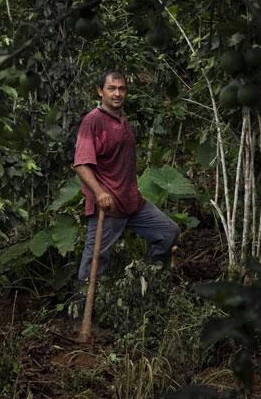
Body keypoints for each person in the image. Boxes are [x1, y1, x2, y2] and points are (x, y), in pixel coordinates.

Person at [73, 69, 180, 284]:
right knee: (95, 260)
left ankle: (148, 281)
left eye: (121, 89)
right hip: (108, 205)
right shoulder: (92, 121)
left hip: (133, 203)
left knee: (168, 232)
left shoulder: (122, 120)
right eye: (111, 88)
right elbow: (81, 164)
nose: (117, 93)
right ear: (100, 91)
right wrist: (100, 193)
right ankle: (83, 305)